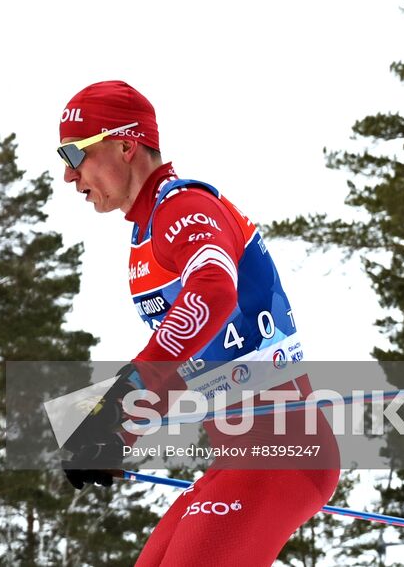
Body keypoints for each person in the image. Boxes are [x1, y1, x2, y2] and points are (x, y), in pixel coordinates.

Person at [55, 80, 339, 567]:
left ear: (125, 144)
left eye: (74, 153)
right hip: (239, 457)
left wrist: (119, 405)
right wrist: (118, 433)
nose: (68, 175)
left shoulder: (182, 207)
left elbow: (212, 292)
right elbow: (191, 355)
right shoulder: (149, 232)